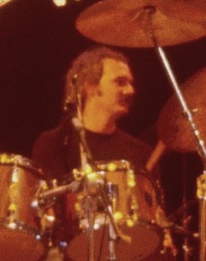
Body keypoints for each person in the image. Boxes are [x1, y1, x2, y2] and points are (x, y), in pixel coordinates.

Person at [31, 45, 168, 260]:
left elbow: (156, 219)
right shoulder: (54, 143)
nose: (131, 91)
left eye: (131, 83)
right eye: (120, 82)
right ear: (90, 86)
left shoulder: (142, 154)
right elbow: (43, 213)